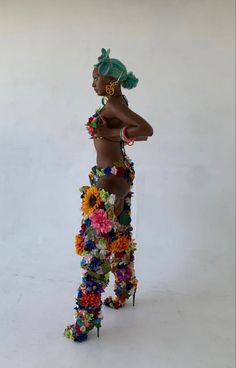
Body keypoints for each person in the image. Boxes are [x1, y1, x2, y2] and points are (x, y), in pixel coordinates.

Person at [64, 48, 154, 342]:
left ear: (110, 82)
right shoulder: (114, 102)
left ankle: (85, 320)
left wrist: (116, 135)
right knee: (121, 235)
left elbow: (146, 129)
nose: (92, 83)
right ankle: (125, 289)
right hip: (115, 175)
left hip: (111, 182)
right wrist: (115, 135)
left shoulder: (115, 103)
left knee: (95, 247)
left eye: (96, 78)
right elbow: (127, 131)